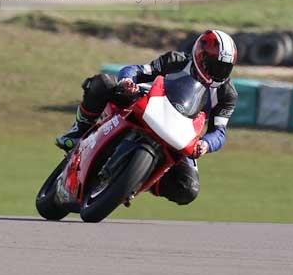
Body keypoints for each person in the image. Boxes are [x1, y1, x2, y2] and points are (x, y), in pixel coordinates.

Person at [55, 29, 238, 206]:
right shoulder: (176, 60)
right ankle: (78, 130)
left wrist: (205, 144)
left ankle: (140, 179)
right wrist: (127, 82)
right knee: (102, 83)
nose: (219, 71)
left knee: (188, 189)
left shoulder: (227, 94)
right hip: (148, 103)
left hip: (181, 131)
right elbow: (136, 70)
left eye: (225, 67)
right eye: (215, 64)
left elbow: (219, 132)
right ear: (200, 56)